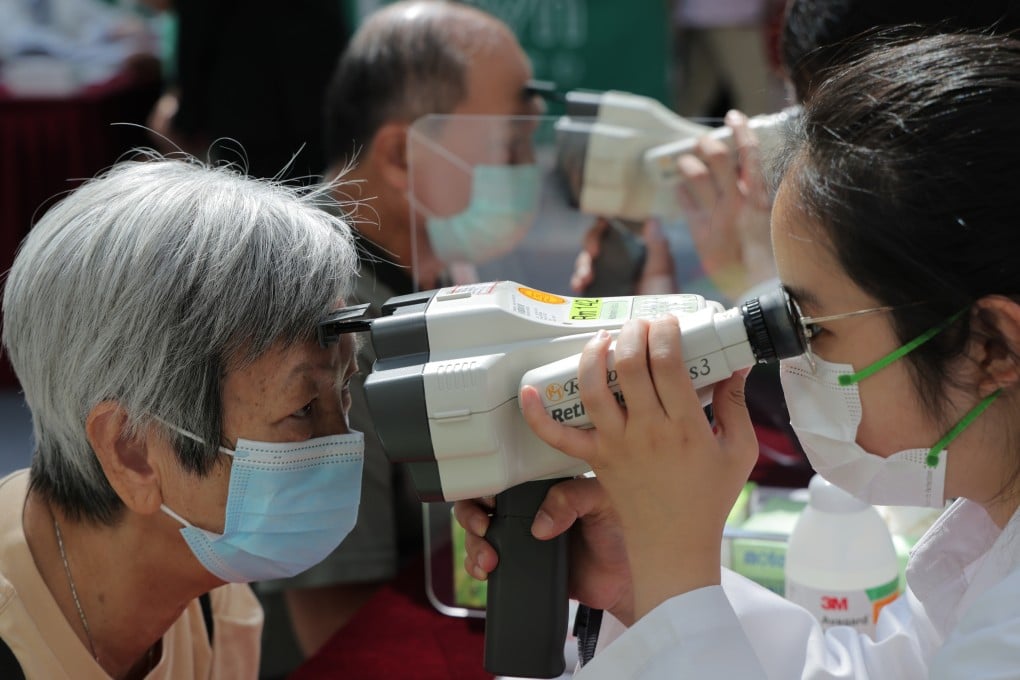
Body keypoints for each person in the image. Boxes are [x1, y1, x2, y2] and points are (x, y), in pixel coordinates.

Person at [458, 32, 1020, 676]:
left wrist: (675, 560)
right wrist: (649, 583)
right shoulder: (992, 542)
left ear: (990, 346)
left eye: (812, 327)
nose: (790, 361)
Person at [252, 0, 546, 663]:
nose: (529, 164)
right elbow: (334, 622)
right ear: (401, 156)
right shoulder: (314, 322)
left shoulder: (428, 263)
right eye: (510, 144)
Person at [0, 154, 361, 678]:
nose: (343, 443)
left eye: (343, 394)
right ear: (132, 451)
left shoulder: (216, 597)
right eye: (304, 410)